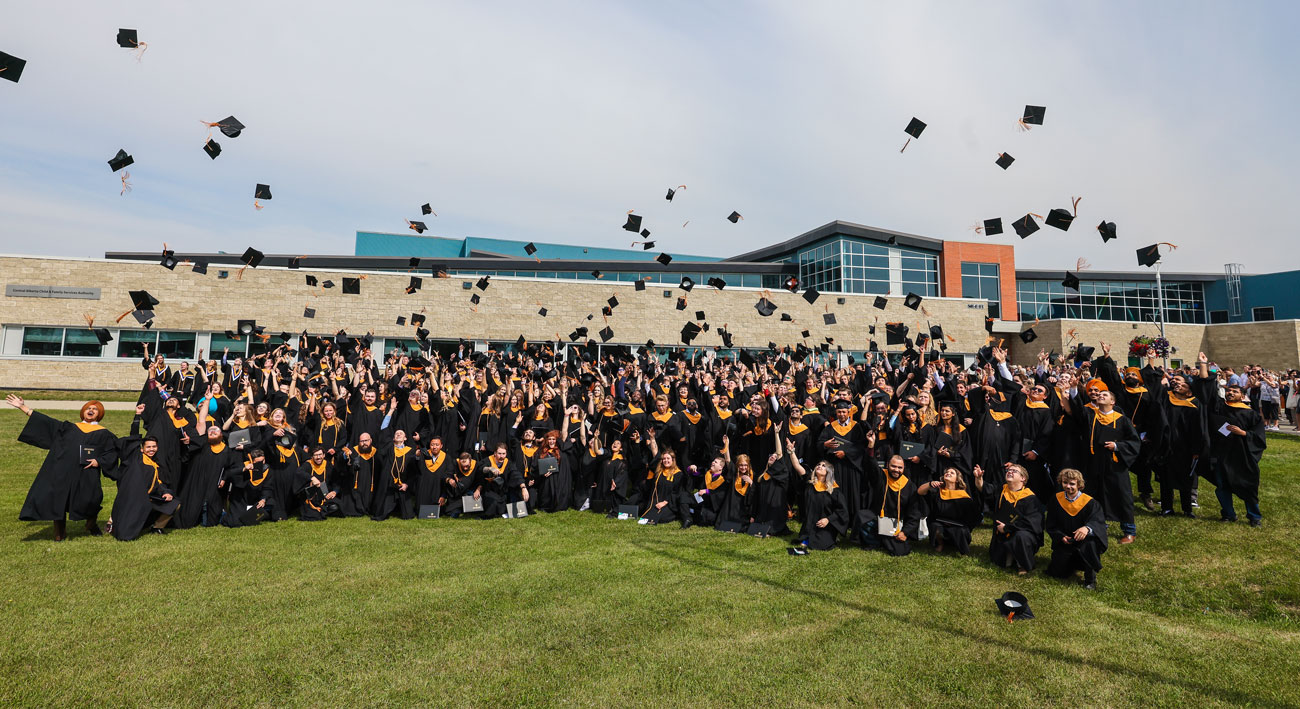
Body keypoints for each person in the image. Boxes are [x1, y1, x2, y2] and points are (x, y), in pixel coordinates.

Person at [7, 395, 117, 540]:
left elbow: (112, 452)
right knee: (58, 499)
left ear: (100, 414)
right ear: (83, 411)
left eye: (95, 409)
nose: (91, 410)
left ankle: (91, 524)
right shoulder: (69, 427)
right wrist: (22, 406)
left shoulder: (104, 433)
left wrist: (99, 461)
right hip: (62, 469)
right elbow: (46, 422)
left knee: (92, 499)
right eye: (88, 408)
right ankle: (59, 533)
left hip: (87, 471)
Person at [1197, 352, 1267, 526]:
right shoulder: (1219, 407)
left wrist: (1243, 433)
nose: (1230, 393)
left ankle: (1254, 517)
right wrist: (1203, 365)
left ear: (1242, 396)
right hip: (1221, 455)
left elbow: (1259, 437)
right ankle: (1228, 513)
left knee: (1248, 487)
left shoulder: (1251, 414)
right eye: (1228, 391)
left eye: (1235, 391)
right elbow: (1207, 390)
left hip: (1242, 456)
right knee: (1222, 487)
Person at [105, 430, 178, 541]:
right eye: (148, 447)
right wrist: (137, 417)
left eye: (154, 446)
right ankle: (112, 522)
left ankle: (157, 527)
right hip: (134, 499)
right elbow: (131, 439)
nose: (151, 449)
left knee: (174, 504)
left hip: (149, 498)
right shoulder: (136, 459)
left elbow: (158, 483)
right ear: (142, 449)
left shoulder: (155, 464)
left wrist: (165, 492)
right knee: (126, 536)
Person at [1045, 468, 1107, 589]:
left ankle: (1090, 580)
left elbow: (1098, 521)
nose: (1068, 486)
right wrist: (1060, 536)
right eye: (1065, 483)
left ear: (1079, 484)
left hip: (1084, 542)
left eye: (1072, 484)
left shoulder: (1090, 503)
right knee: (1057, 574)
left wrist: (1087, 528)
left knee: (1090, 543)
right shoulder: (1056, 499)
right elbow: (1051, 523)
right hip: (1065, 541)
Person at [987, 464, 1044, 575]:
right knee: (1003, 563)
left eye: (1014, 471)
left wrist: (1008, 528)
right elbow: (986, 491)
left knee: (1021, 536)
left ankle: (1022, 564)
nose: (1009, 472)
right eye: (1008, 470)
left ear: (1023, 478)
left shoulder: (1031, 499)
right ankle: (1009, 556)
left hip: (1024, 536)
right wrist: (978, 479)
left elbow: (1032, 523)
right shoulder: (1002, 491)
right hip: (1003, 533)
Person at [916, 466, 983, 555]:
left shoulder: (963, 496)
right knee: (935, 526)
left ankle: (960, 545)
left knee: (961, 530)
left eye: (952, 473)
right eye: (947, 472)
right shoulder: (938, 492)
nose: (948, 473)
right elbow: (920, 491)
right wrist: (930, 484)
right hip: (940, 523)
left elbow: (974, 517)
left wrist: (964, 525)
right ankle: (940, 544)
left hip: (958, 525)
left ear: (957, 479)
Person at [868, 455, 923, 556]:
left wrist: (905, 532)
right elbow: (871, 466)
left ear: (904, 468)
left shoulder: (910, 486)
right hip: (879, 519)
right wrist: (871, 446)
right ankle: (875, 541)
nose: (896, 470)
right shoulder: (882, 476)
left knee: (900, 551)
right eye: (893, 466)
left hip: (897, 526)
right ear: (888, 465)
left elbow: (914, 514)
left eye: (900, 467)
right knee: (862, 518)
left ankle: (882, 541)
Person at [789, 457, 847, 551]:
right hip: (809, 524)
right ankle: (808, 536)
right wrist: (791, 452)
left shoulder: (833, 489)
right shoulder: (810, 483)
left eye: (823, 466)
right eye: (818, 465)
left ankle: (832, 536)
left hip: (825, 525)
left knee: (821, 545)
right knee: (804, 542)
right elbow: (797, 466)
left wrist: (828, 519)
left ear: (828, 471)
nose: (819, 466)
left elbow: (842, 510)